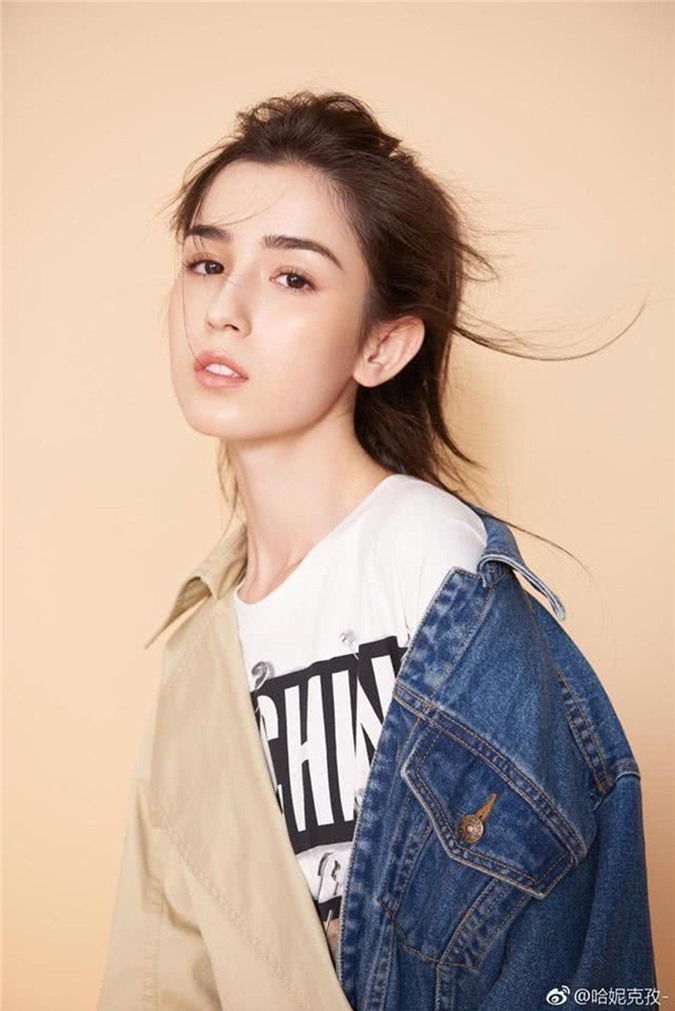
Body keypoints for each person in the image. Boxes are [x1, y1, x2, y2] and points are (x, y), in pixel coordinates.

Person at [98, 91, 657, 1010]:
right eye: (207, 262)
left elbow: (574, 951)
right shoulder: (198, 646)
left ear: (382, 344)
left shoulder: (435, 569)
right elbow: (161, 971)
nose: (223, 309)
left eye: (292, 277)